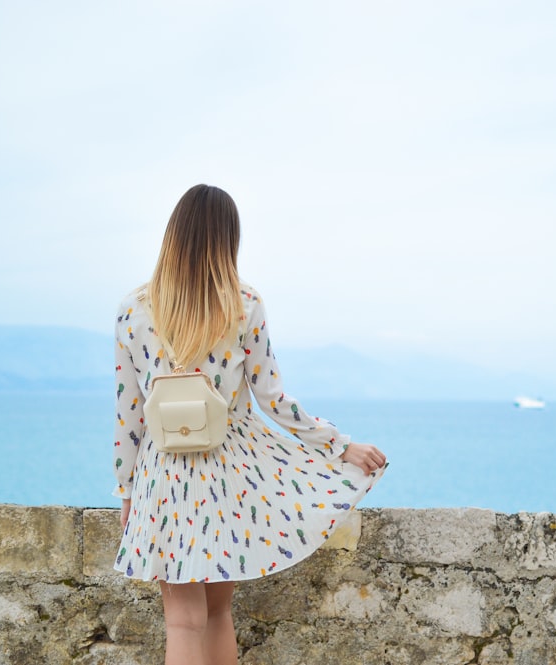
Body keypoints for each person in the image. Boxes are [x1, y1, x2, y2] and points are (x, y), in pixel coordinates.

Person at [111, 184, 387, 665]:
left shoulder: (133, 309)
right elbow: (272, 399)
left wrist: (127, 492)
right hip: (227, 474)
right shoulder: (243, 303)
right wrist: (340, 447)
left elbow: (128, 416)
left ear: (172, 233)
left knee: (182, 621)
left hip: (163, 475)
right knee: (217, 615)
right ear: (227, 239)